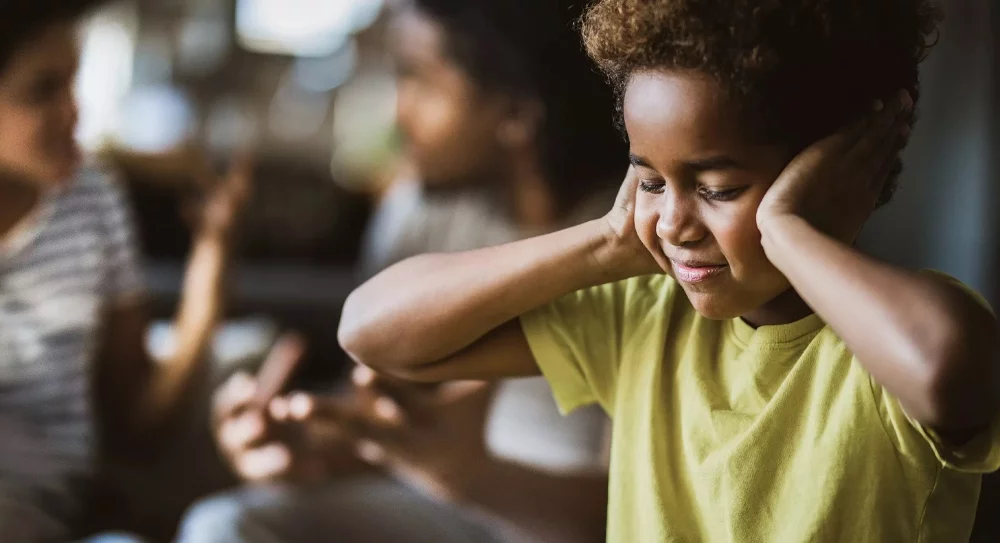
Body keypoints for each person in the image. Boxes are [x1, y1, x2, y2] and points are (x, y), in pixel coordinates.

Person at [339, 0, 1000, 542]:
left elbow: (945, 374)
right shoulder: (643, 313)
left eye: (719, 188)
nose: (675, 222)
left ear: (833, 175)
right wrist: (605, 241)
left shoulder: (896, 339)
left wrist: (787, 229)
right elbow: (371, 330)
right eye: (651, 178)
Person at [178, 1, 624, 542]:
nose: (397, 113)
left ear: (515, 113)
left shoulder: (631, 243)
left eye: (420, 81)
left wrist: (469, 473)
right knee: (226, 525)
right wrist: (308, 442)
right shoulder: (422, 209)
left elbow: (622, 513)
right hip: (433, 504)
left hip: (544, 523)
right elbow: (384, 415)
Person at [0, 1, 249, 540]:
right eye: (43, 90)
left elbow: (137, 425)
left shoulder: (90, 201)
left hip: (37, 508)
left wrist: (208, 277)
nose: (75, 113)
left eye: (73, 84)